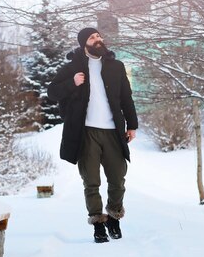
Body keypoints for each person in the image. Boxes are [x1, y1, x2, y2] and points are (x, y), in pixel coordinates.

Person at [48, 27, 138, 243]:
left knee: (118, 178)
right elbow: (52, 93)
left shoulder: (116, 67)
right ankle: (98, 224)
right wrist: (72, 83)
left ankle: (114, 217)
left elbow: (126, 97)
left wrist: (132, 125)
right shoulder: (73, 68)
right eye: (92, 37)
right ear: (84, 44)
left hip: (113, 132)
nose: (98, 39)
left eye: (99, 36)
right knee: (91, 180)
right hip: (86, 132)